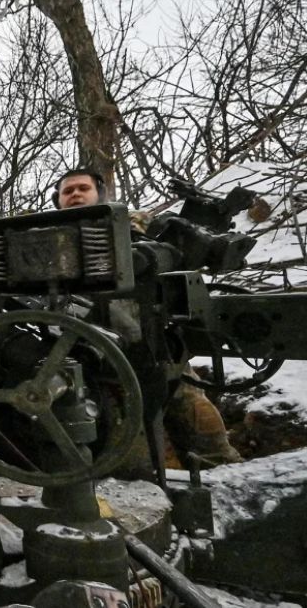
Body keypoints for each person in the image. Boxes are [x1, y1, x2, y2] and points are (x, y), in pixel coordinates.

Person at [51, 168, 242, 468]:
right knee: (125, 444)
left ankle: (229, 477)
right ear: (58, 201)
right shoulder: (45, 240)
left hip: (156, 341)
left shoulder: (133, 222)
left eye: (82, 188)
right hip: (99, 356)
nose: (75, 194)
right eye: (68, 191)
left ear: (100, 194)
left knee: (200, 422)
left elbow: (181, 248)